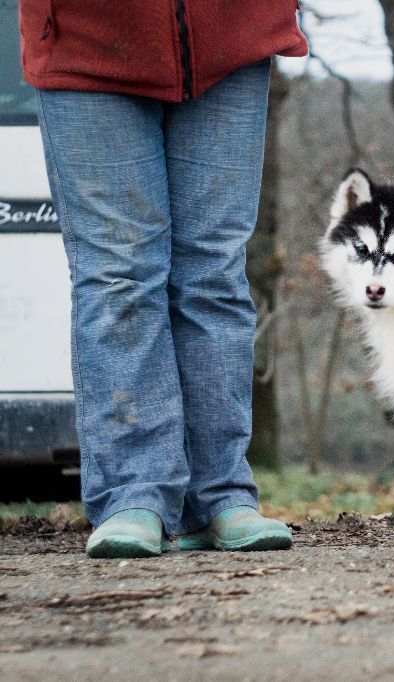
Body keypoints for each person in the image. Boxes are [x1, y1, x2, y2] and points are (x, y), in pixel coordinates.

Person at [18, 1, 308, 558]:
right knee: (118, 274)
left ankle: (221, 494)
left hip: (233, 31)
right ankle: (134, 494)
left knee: (215, 275)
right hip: (87, 38)